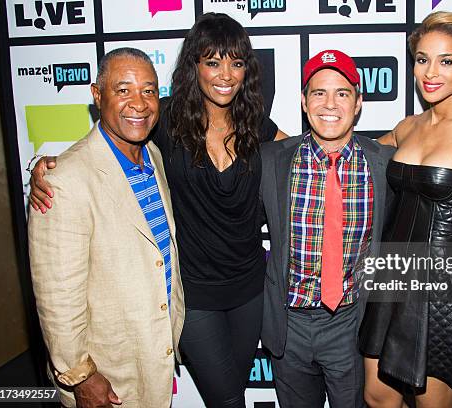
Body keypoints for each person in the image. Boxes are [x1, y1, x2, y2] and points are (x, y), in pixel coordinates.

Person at [28, 13, 286, 408]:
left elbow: (304, 151)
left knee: (233, 388)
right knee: (230, 398)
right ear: (194, 65)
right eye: (212, 62)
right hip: (195, 294)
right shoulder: (163, 118)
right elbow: (109, 140)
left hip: (249, 289)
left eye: (236, 62)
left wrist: (375, 145)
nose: (225, 74)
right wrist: (47, 165)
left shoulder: (254, 124)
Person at [359, 11, 452, 408]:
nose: (430, 71)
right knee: (377, 399)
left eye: (446, 61)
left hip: (445, 291)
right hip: (391, 279)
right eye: (422, 58)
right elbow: (349, 150)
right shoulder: (408, 127)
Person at [28, 47, 184, 408]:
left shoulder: (153, 155)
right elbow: (57, 296)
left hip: (151, 354)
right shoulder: (63, 181)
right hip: (108, 373)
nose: (139, 103)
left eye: (148, 90)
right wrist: (80, 375)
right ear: (98, 96)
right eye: (123, 89)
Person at [259, 50, 395, 408]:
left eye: (342, 93)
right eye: (319, 93)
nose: (329, 104)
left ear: (359, 101)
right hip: (289, 326)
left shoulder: (385, 163)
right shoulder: (271, 161)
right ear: (304, 102)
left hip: (351, 324)